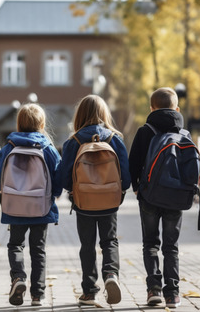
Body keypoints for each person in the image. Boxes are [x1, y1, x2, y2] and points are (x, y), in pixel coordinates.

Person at [60, 95, 131, 306]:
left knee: (87, 245)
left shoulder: (73, 142)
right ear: (104, 114)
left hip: (84, 202)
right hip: (109, 201)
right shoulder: (114, 139)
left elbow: (64, 178)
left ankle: (89, 292)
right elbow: (125, 176)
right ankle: (111, 274)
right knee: (110, 241)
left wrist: (71, 190)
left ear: (79, 114)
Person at [0, 104, 62, 307]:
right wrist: (53, 196)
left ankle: (18, 278)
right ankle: (37, 295)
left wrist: (1, 191)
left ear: (19, 123)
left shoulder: (9, 147)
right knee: (38, 249)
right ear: (42, 124)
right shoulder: (47, 148)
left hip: (15, 206)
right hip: (41, 206)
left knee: (15, 245)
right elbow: (58, 176)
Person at [128, 87, 187, 308]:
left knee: (150, 243)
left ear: (151, 108)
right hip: (175, 197)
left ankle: (154, 290)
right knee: (171, 246)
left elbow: (133, 163)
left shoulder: (145, 131)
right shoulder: (183, 134)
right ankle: (172, 294)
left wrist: (135, 188)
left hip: (149, 196)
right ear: (177, 108)